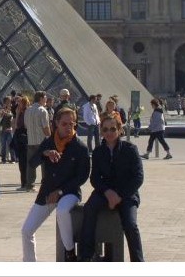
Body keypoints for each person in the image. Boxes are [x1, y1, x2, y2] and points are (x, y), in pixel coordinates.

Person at [20, 106, 90, 262]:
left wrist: (59, 192)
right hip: (47, 192)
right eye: (64, 124)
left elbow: (82, 176)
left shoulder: (80, 147)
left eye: (71, 124)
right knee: (26, 230)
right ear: (56, 124)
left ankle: (70, 251)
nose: (68, 127)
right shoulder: (49, 142)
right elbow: (32, 163)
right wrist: (45, 153)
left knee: (63, 211)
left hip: (69, 192)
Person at [79, 113, 145, 262]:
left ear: (120, 130)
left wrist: (119, 195)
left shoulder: (130, 149)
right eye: (106, 129)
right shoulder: (98, 152)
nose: (109, 133)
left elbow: (138, 178)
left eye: (113, 129)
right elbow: (95, 178)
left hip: (127, 194)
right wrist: (108, 192)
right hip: (105, 192)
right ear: (101, 131)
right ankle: (86, 255)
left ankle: (138, 261)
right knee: (89, 209)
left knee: (130, 224)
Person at [22, 90, 51, 191]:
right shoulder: (43, 110)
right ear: (41, 98)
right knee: (45, 164)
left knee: (31, 164)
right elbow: (46, 127)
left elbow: (25, 126)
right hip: (42, 141)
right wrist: (50, 138)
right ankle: (46, 183)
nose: (46, 99)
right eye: (45, 97)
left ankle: (30, 185)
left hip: (31, 141)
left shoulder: (28, 110)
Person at [13, 95, 30, 188]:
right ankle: (23, 182)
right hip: (19, 138)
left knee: (24, 161)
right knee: (21, 162)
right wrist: (17, 113)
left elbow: (24, 126)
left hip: (24, 138)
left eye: (19, 102)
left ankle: (26, 182)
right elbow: (16, 126)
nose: (17, 104)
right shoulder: (20, 112)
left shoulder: (27, 112)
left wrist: (18, 114)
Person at [0, 97, 14, 163]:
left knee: (11, 145)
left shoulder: (12, 109)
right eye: (8, 101)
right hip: (3, 130)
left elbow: (12, 117)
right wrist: (2, 113)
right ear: (5, 102)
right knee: (3, 145)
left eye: (10, 101)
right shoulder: (2, 110)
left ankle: (13, 158)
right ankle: (3, 159)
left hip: (10, 130)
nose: (9, 103)